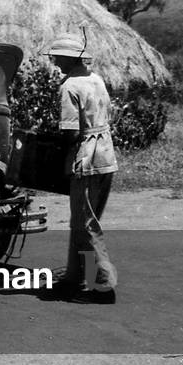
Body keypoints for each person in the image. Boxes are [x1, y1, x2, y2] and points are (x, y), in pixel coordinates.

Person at [44, 32, 118, 304]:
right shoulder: (96, 79)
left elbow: (71, 132)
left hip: (86, 158)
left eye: (57, 58)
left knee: (85, 225)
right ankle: (75, 280)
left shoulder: (70, 86)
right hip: (106, 155)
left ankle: (103, 285)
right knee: (84, 223)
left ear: (68, 58)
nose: (55, 63)